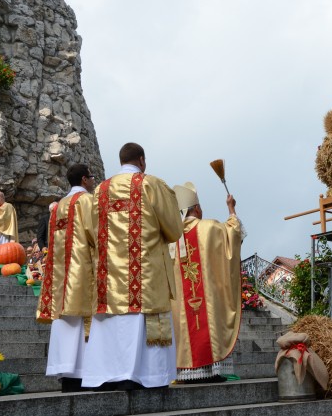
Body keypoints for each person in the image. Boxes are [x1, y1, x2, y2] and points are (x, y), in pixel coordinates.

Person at [82, 142, 183, 390]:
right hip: (144, 273)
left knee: (113, 325)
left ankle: (108, 375)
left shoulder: (100, 190)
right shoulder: (150, 184)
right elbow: (173, 229)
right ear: (141, 160)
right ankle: (146, 376)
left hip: (110, 277)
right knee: (141, 322)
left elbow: (90, 231)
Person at [170, 182, 243, 383]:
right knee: (207, 319)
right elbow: (233, 233)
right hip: (208, 298)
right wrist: (231, 208)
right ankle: (210, 370)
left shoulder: (172, 237)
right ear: (197, 208)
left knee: (187, 322)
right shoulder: (209, 227)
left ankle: (187, 372)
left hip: (181, 302)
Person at [36, 164, 96, 392]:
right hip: (83, 271)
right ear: (84, 179)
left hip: (60, 274)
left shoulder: (58, 207)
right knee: (81, 320)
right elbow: (96, 234)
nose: (93, 181)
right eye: (91, 177)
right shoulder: (88, 201)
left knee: (65, 322)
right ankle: (83, 373)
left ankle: (66, 373)